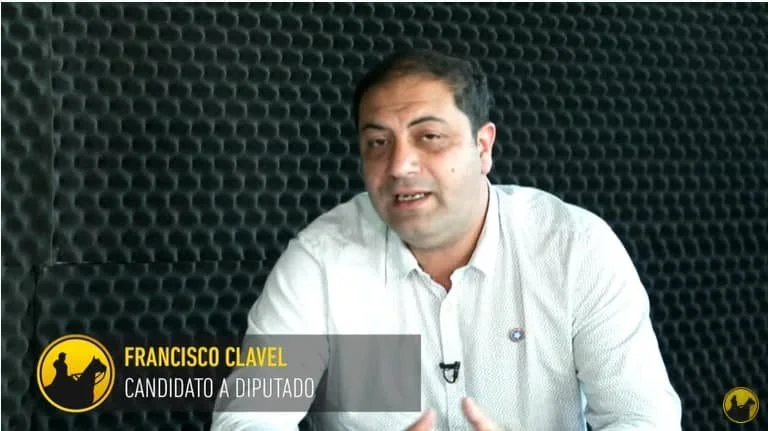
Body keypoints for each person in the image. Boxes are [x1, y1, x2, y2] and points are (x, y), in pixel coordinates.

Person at [211, 49, 682, 430]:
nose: (399, 165)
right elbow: (248, 418)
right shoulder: (321, 262)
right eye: (378, 143)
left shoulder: (574, 248)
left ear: (483, 147)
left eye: (429, 137)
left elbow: (644, 419)